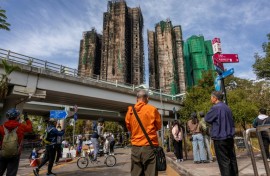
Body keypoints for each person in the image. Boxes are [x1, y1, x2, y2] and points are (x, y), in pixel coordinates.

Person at [125, 89, 161, 176]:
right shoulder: (152, 109)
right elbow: (158, 126)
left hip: (135, 148)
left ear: (137, 99)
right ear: (147, 98)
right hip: (149, 147)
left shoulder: (130, 112)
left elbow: (129, 128)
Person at [205, 91, 238, 176]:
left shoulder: (215, 108)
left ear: (215, 98)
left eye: (211, 97)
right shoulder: (227, 108)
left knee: (224, 161)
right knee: (232, 158)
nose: (210, 99)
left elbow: (207, 118)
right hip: (229, 137)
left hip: (220, 137)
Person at [0, 109, 32, 176]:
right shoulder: (21, 126)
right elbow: (30, 128)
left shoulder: (1, 127)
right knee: (11, 173)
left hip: (2, 152)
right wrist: (27, 119)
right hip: (15, 153)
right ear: (17, 117)